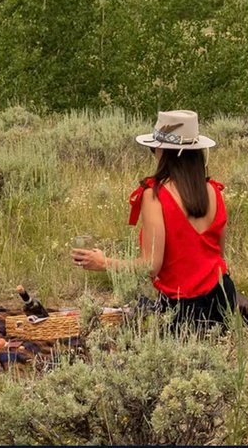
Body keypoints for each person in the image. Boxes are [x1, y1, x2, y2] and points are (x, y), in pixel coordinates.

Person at [71, 109, 236, 327]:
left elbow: (151, 266)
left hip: (182, 308)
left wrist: (104, 263)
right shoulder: (213, 191)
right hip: (223, 297)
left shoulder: (155, 195)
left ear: (164, 152)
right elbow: (218, 255)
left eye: (153, 149)